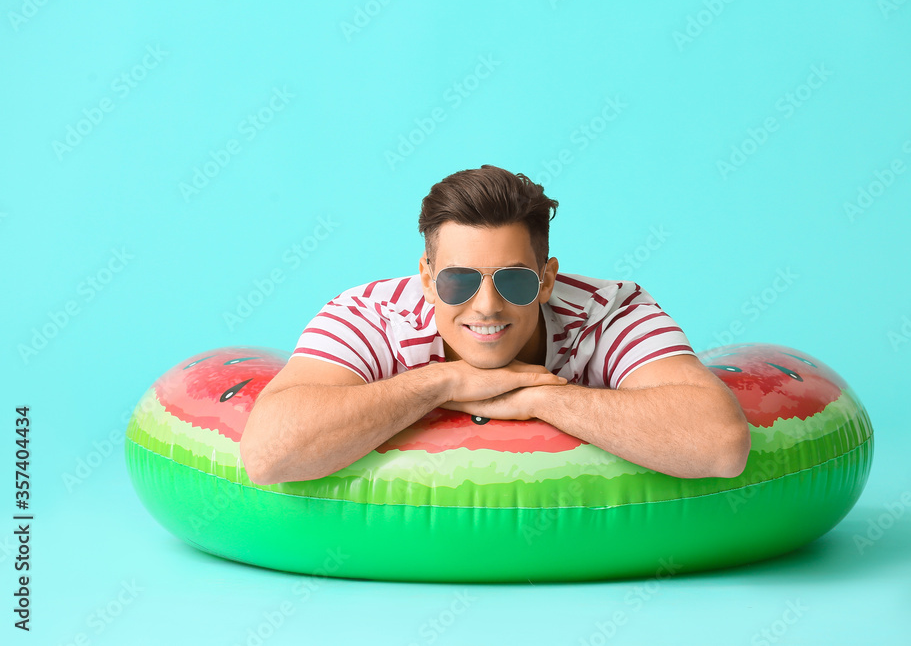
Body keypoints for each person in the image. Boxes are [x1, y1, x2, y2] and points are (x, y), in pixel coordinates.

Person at [241, 165, 749, 484]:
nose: (486, 306)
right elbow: (268, 456)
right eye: (459, 281)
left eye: (515, 282)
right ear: (426, 276)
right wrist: (444, 381)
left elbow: (721, 445)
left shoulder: (609, 313)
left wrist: (540, 396)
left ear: (547, 279)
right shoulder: (370, 316)